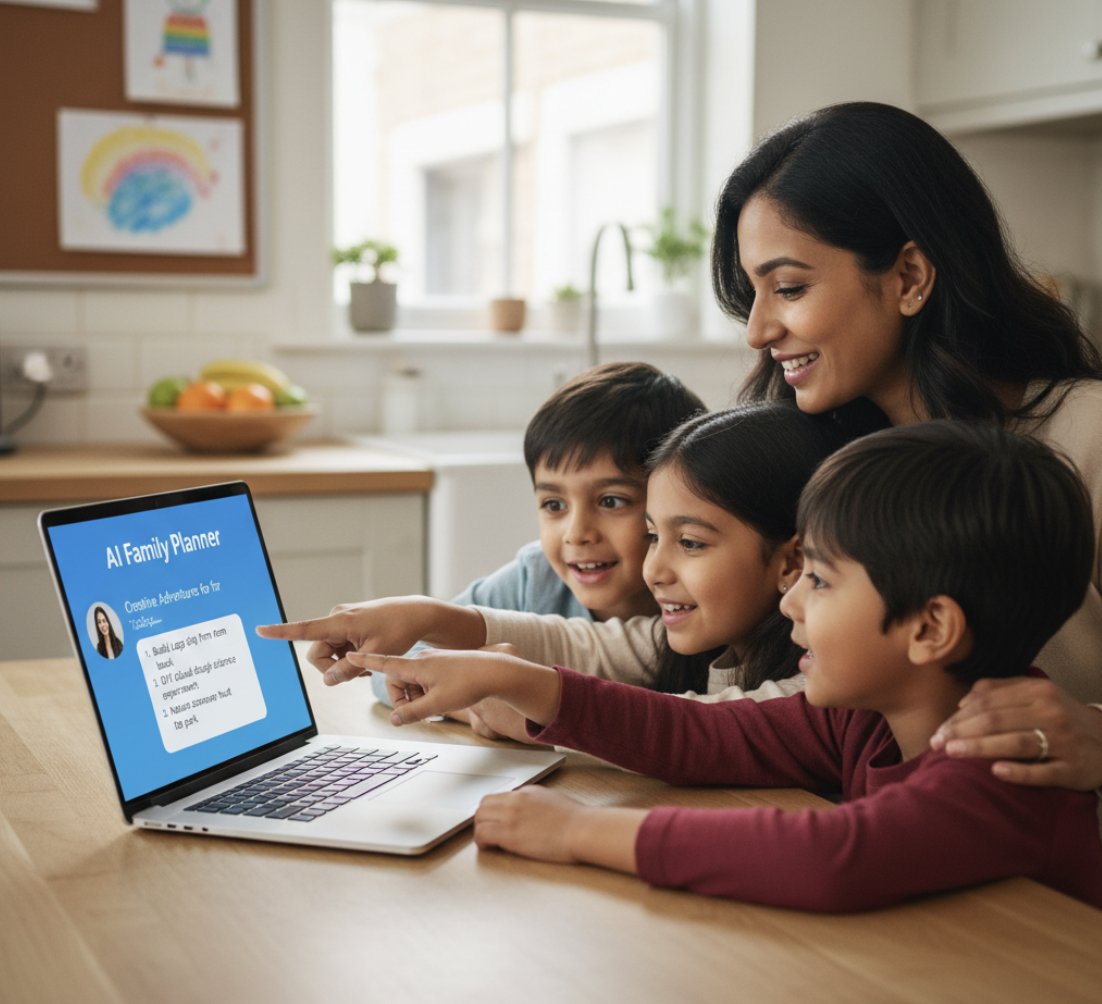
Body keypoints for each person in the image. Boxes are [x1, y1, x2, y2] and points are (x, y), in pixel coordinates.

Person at [349, 423, 1102, 912]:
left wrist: (582, 833)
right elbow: (701, 738)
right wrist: (512, 679)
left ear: (930, 628)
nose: (793, 603)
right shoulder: (863, 715)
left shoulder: (997, 768)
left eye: (822, 580)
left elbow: (836, 857)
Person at [710, 101, 1102, 792]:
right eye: (754, 294)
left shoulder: (1089, 436)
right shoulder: (821, 456)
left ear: (910, 277)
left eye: (790, 287)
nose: (758, 329)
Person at [261, 403, 853, 742]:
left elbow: (697, 734)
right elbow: (581, 644)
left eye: (690, 542)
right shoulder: (698, 636)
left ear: (790, 563)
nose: (655, 570)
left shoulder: (824, 684)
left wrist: (524, 699)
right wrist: (428, 615)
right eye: (653, 536)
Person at [368, 361, 705, 715]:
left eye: (611, 501)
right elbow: (393, 667)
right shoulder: (535, 580)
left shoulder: (708, 598)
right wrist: (478, 706)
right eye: (554, 504)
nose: (576, 533)